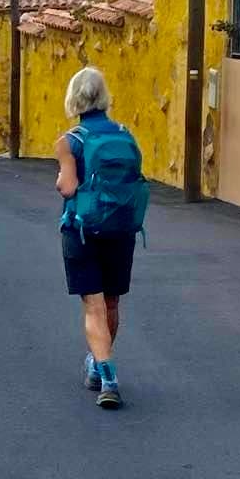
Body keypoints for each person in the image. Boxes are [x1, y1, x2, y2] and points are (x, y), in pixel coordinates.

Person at [53, 66, 143, 410]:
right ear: (104, 96)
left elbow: (68, 187)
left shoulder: (69, 141)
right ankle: (97, 364)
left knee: (93, 305)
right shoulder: (126, 135)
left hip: (82, 230)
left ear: (74, 96)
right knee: (112, 303)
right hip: (121, 229)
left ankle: (108, 376)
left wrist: (62, 182)